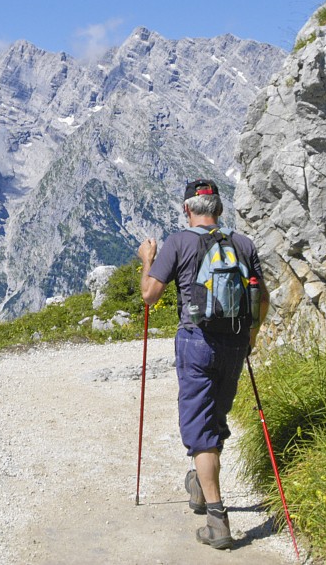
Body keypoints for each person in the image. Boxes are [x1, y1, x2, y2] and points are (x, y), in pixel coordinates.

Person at [138, 179, 269, 550]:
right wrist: (251, 339)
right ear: (220, 210)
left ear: (187, 209)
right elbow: (261, 299)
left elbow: (150, 296)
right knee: (215, 420)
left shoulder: (180, 242)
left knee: (200, 430)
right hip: (235, 344)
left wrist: (147, 259)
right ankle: (199, 485)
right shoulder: (243, 244)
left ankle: (216, 518)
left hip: (197, 343)